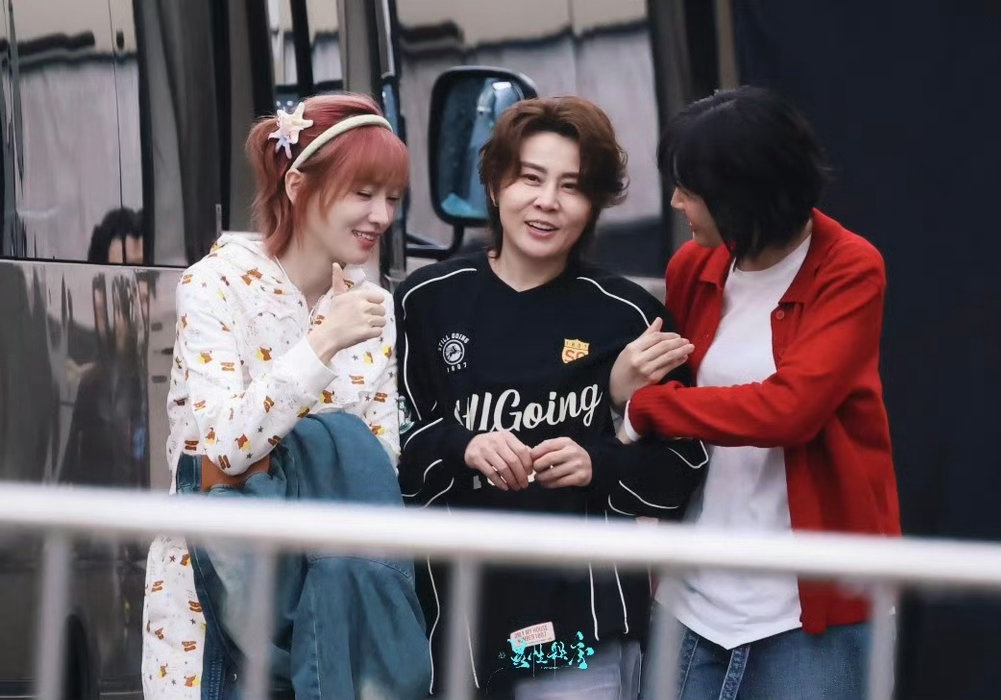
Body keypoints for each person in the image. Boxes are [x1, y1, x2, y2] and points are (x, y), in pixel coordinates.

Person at [395, 96, 708, 699]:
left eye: (572, 186)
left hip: (581, 631)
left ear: (594, 206)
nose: (547, 201)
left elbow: (685, 463)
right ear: (495, 185)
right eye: (530, 178)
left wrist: (599, 462)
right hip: (453, 630)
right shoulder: (426, 300)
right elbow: (391, 440)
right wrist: (464, 445)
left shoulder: (629, 317)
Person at [612, 86, 901, 700]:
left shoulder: (850, 267)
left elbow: (791, 409)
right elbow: (673, 384)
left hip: (811, 607)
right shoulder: (693, 267)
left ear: (741, 194)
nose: (676, 202)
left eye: (689, 190)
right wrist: (628, 390)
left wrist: (651, 409)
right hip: (695, 595)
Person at [142, 93, 428, 699]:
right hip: (211, 597)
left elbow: (379, 466)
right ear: (297, 185)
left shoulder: (373, 307)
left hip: (331, 605)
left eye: (393, 198)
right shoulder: (215, 283)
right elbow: (224, 444)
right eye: (363, 193)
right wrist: (323, 344)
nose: (381, 215)